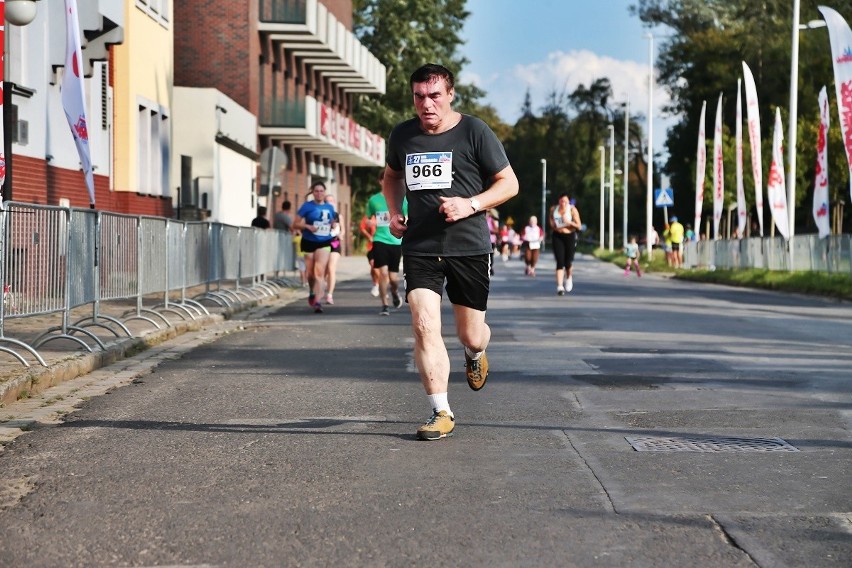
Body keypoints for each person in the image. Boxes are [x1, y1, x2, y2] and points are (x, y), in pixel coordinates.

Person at [382, 63, 519, 441]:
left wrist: (470, 204)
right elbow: (391, 176)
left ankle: (475, 356)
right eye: (419, 97)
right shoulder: (403, 135)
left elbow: (509, 183)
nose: (426, 104)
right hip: (421, 246)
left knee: (471, 336)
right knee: (424, 323)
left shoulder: (474, 131)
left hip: (468, 247)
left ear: (450, 94)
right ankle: (440, 410)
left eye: (434, 96)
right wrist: (395, 213)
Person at [366, 170, 407, 315]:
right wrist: (370, 222)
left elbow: (407, 216)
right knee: (382, 273)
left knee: (393, 278)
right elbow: (367, 219)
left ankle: (395, 292)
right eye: (384, 179)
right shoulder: (374, 200)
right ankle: (384, 305)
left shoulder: (403, 199)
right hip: (380, 239)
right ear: (381, 181)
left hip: (396, 241)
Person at [293, 181, 336, 313]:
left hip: (324, 241)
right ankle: (312, 291)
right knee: (310, 273)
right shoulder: (307, 206)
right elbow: (295, 224)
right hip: (308, 240)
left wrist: (333, 225)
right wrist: (307, 226)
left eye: (321, 191)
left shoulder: (330, 207)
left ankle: (317, 300)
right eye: (316, 191)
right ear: (312, 192)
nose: (319, 193)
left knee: (319, 271)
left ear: (324, 192)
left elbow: (332, 221)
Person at [549, 193, 581, 295]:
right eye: (561, 201)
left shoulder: (572, 210)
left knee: (568, 262)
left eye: (565, 201)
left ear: (568, 202)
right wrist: (554, 225)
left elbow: (579, 226)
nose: (563, 203)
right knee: (559, 261)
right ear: (559, 201)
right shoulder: (553, 209)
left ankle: (569, 277)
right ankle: (559, 286)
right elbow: (551, 223)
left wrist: (569, 222)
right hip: (557, 235)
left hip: (569, 236)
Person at [324, 194, 343, 305]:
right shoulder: (321, 214)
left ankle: (329, 295)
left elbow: (343, 230)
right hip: (323, 243)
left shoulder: (338, 215)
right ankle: (322, 289)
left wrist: (341, 234)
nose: (329, 203)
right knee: (324, 270)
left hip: (335, 243)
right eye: (327, 201)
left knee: (331, 268)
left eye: (331, 201)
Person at [359, 212, 381, 297]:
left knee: (382, 269)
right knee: (373, 266)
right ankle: (376, 284)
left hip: (383, 246)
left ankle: (381, 285)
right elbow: (362, 227)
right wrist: (369, 236)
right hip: (371, 247)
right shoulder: (368, 217)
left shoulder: (387, 214)